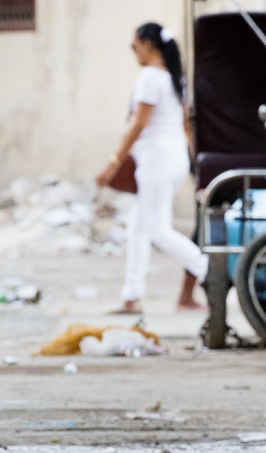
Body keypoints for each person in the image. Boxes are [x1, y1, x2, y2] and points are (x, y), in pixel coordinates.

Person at [97, 22, 209, 315]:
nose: (133, 52)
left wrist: (113, 162)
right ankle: (131, 295)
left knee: (157, 230)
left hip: (157, 162)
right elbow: (185, 126)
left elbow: (139, 124)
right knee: (138, 227)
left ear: (148, 45)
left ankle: (210, 271)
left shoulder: (149, 77)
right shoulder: (174, 78)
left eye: (134, 46)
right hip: (172, 160)